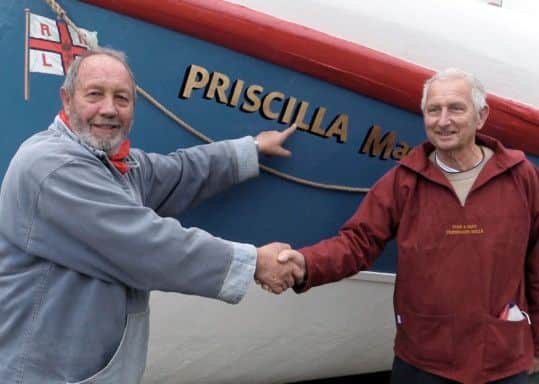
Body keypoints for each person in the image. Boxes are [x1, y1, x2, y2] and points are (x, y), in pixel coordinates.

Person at [0, 47, 303, 384]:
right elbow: (144, 243)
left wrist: (250, 149)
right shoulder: (51, 166)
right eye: (95, 94)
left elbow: (177, 172)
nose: (109, 109)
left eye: (122, 99)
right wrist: (253, 261)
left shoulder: (111, 164)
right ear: (67, 99)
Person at [277, 68, 539, 383]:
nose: (443, 121)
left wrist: (535, 343)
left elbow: (537, 263)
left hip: (501, 362)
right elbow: (357, 243)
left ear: (481, 116)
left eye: (456, 108)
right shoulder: (403, 181)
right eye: (433, 110)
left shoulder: (520, 177)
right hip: (423, 361)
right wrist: (305, 264)